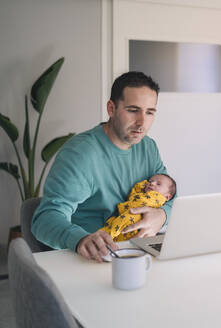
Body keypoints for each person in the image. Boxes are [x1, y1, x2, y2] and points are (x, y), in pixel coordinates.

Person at [32, 71, 172, 262]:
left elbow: (170, 193)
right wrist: (79, 238)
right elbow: (44, 219)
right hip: (94, 256)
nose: (142, 122)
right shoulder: (80, 153)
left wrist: (162, 214)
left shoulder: (148, 147)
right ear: (111, 108)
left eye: (150, 112)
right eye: (133, 110)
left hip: (137, 250)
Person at [101, 174, 176, 241]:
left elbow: (140, 202)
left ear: (167, 197)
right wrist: (143, 185)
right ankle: (108, 238)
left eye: (158, 184)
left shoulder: (158, 198)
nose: (152, 183)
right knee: (114, 222)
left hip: (139, 217)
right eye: (150, 181)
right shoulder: (141, 193)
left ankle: (106, 236)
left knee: (122, 222)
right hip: (129, 218)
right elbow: (133, 193)